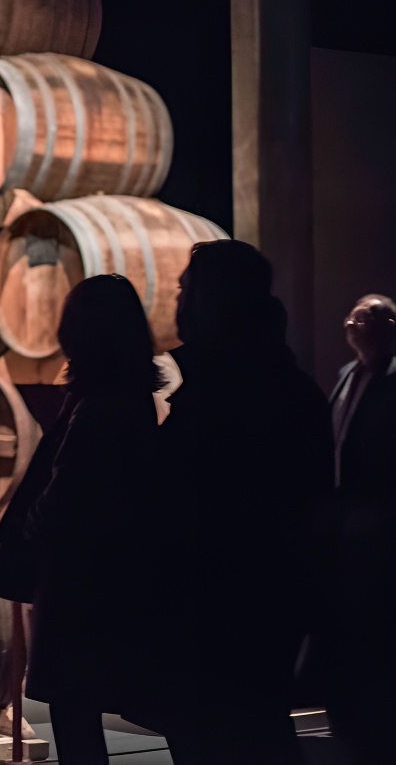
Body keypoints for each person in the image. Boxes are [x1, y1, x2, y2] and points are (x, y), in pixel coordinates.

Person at [151, 240, 332, 765]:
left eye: (187, 287)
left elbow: (195, 505)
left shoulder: (225, 395)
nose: (178, 297)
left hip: (223, 609)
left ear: (212, 298)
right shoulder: (285, 386)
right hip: (255, 607)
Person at [0, 275, 164, 765]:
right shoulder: (130, 395)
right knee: (78, 710)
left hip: (79, 580)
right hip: (101, 574)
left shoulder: (101, 403)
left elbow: (68, 487)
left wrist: (33, 532)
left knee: (74, 713)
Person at [318, 294, 396, 762]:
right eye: (353, 317)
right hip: (345, 520)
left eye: (365, 318)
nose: (353, 323)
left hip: (382, 520)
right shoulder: (349, 373)